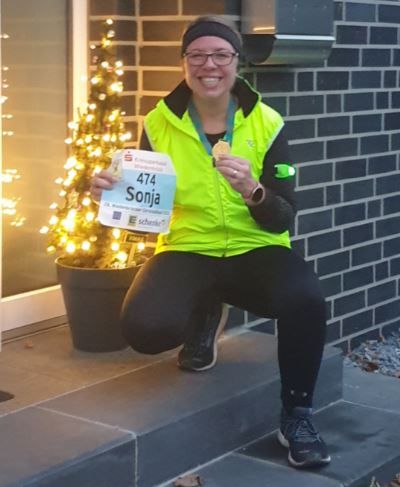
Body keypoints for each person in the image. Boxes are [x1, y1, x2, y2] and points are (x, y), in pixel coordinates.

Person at [91, 15, 331, 469]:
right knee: (144, 328)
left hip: (256, 246)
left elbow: (284, 214)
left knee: (306, 299)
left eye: (221, 54)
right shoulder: (159, 123)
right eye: (197, 55)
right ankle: (205, 309)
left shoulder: (267, 122)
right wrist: (112, 197)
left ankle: (297, 416)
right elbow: (145, 215)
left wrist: (253, 191)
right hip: (188, 245)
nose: (209, 65)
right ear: (184, 62)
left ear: (237, 62)